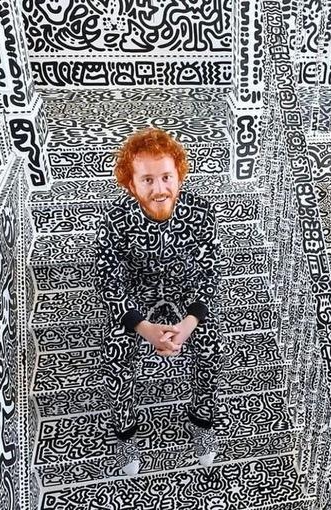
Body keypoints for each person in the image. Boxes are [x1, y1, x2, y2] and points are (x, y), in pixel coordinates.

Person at [94, 127, 222, 475]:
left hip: (184, 291)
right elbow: (105, 278)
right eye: (147, 180)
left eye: (166, 177)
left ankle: (202, 423)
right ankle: (125, 435)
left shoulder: (200, 212)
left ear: (178, 175)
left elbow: (210, 270)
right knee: (117, 349)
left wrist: (189, 322)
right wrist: (143, 327)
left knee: (210, 345)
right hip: (137, 293)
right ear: (131, 183)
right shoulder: (116, 219)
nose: (160, 188)